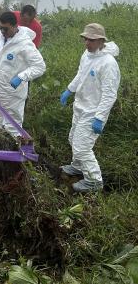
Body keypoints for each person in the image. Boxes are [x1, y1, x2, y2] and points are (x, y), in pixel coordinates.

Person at [59, 23, 120, 193]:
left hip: (94, 112)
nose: (87, 43)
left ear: (101, 40)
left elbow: (109, 94)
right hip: (81, 105)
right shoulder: (87, 54)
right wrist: (69, 90)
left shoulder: (108, 63)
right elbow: (81, 74)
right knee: (73, 138)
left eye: (91, 40)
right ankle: (78, 166)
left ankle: (94, 181)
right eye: (85, 39)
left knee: (82, 146)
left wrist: (99, 118)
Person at [0, 11, 46, 138]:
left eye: (5, 29)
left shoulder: (24, 44)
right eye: (1, 28)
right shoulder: (1, 35)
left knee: (12, 126)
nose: (2, 32)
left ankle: (15, 153)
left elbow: (40, 66)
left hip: (12, 93)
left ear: (15, 26)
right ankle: (0, 152)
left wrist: (21, 77)